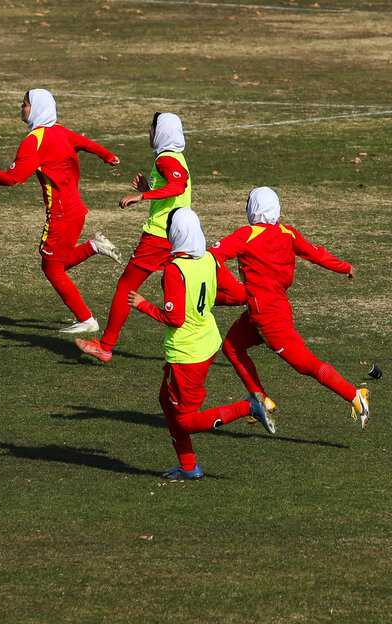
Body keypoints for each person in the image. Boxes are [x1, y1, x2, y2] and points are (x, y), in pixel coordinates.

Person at [127, 207, 275, 480]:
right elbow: (234, 294)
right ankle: (188, 467)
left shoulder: (174, 269)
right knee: (165, 400)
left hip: (187, 354)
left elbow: (174, 317)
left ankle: (249, 407)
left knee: (185, 419)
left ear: (175, 233)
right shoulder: (209, 259)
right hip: (207, 344)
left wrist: (143, 305)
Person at [210, 186, 370, 430]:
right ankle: (261, 401)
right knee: (232, 347)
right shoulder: (288, 232)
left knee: (306, 365)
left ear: (253, 209)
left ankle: (354, 395)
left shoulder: (247, 234)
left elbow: (212, 256)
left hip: (268, 318)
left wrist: (231, 288)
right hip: (271, 309)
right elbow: (316, 254)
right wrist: (345, 267)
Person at [0, 88, 123, 334]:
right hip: (76, 211)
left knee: (52, 268)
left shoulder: (34, 141)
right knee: (54, 265)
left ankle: (87, 319)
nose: (20, 108)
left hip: (62, 215)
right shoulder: (60, 131)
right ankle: (94, 247)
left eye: (24, 105)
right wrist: (108, 156)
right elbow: (85, 143)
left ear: (37, 108)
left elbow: (12, 179)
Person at [76, 112, 191, 360]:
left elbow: (178, 186)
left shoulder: (166, 160)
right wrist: (149, 190)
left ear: (160, 133)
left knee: (126, 286)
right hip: (179, 234)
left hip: (159, 237)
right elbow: (173, 192)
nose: (148, 133)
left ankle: (105, 346)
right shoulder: (175, 156)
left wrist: (142, 196)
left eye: (151, 129)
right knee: (189, 286)